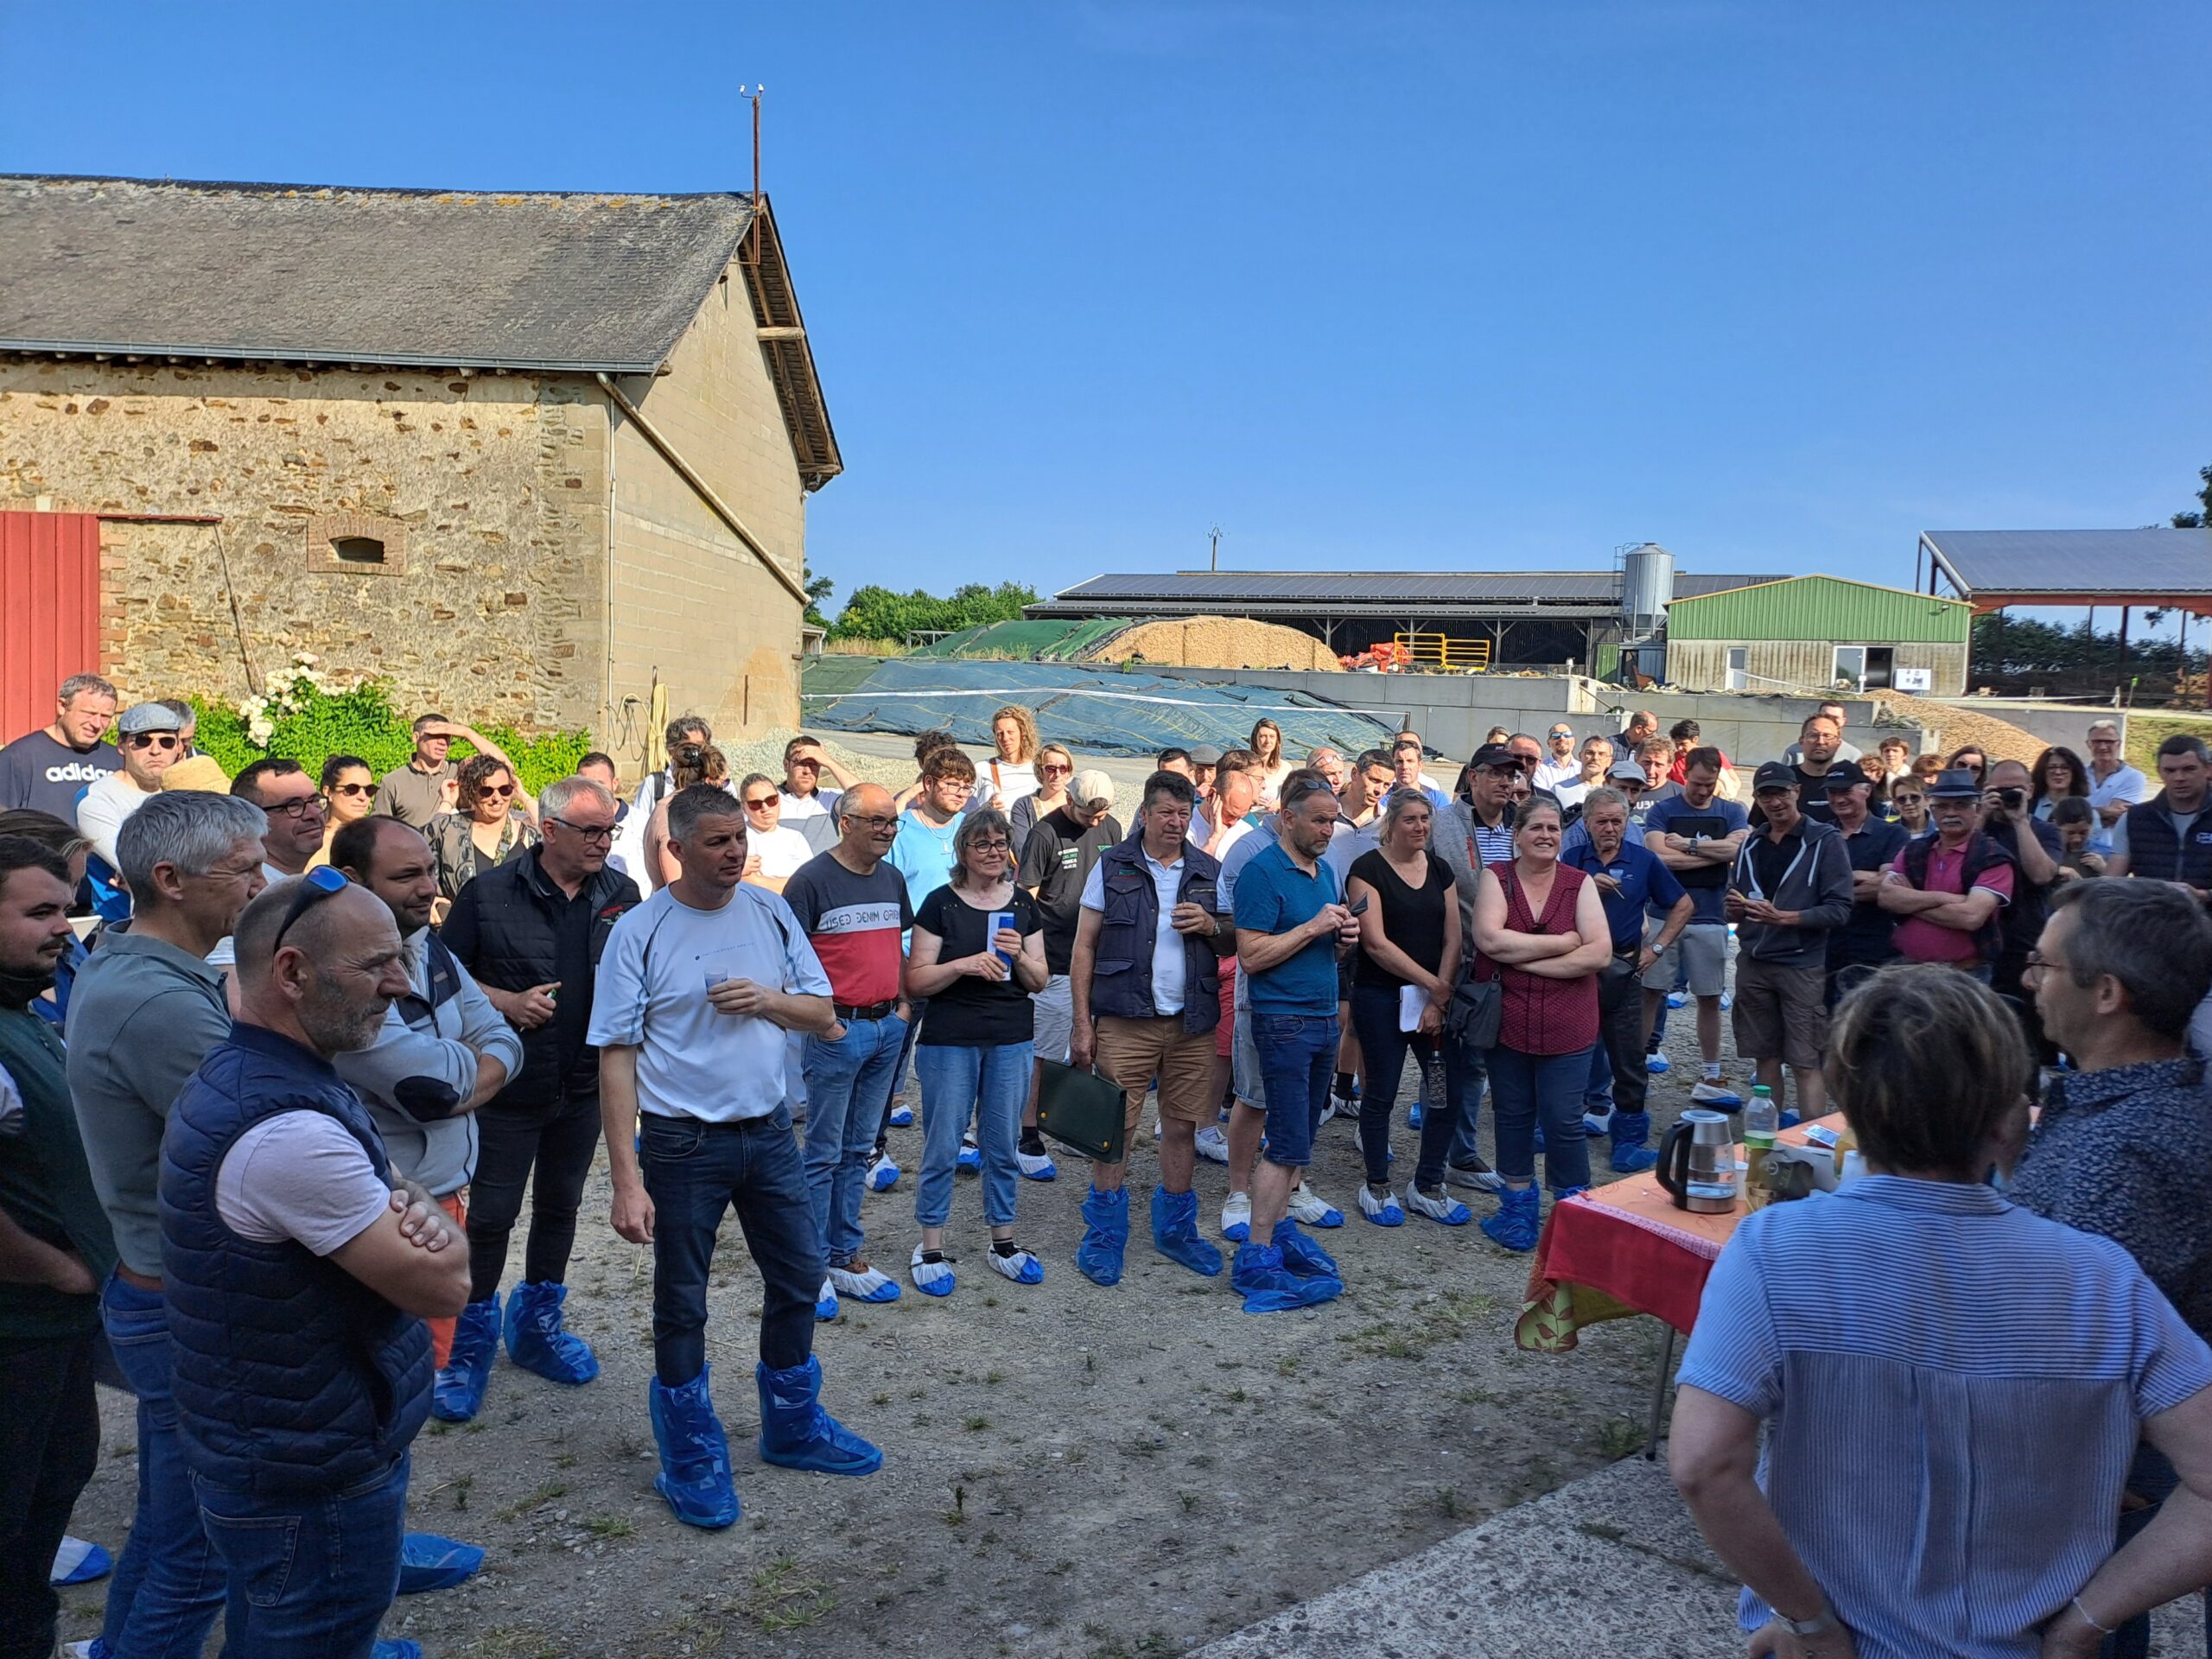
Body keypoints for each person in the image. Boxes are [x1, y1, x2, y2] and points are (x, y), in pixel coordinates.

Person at [1670, 963, 2212, 1659]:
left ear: (1847, 1099)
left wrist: (1809, 1620)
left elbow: (1704, 1463)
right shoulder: (2100, 1277)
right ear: (2005, 1114)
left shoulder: (1776, 1249)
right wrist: (2085, 1623)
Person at [162, 874, 470, 1657]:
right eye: (375, 965)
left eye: (401, 959)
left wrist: (403, 1197)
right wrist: (425, 1210)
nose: (400, 985)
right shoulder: (288, 1132)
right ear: (293, 973)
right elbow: (448, 1284)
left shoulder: (260, 1080)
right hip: (312, 1474)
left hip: (288, 1445)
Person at [594, 785, 875, 1528]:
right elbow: (616, 1055)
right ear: (676, 849)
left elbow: (821, 1011)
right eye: (717, 841)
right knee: (682, 1301)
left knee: (800, 1275)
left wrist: (767, 1001)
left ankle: (793, 1426)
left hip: (770, 1132)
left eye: (739, 838)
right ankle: (689, 1455)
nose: (734, 852)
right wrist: (626, 1179)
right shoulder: (640, 931)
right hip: (682, 1142)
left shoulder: (769, 911)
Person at [63, 793, 265, 1657]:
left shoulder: (144, 968)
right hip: (189, 1302)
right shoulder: (160, 1005)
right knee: (200, 1553)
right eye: (245, 869)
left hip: (162, 1285)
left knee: (172, 1526)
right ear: (173, 880)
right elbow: (265, 1140)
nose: (262, 884)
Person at [2013, 880, 2212, 1659]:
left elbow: (2079, 1356)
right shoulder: (2122, 1107)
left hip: (2085, 1488)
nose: (2030, 979)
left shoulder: (2121, 1152)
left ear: (2106, 994)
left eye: (2045, 964)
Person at [435, 776, 639, 1422]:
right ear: (549, 830)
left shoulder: (620, 895)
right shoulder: (490, 893)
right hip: (510, 1089)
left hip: (582, 1087)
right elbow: (443, 975)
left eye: (609, 830)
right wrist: (506, 1002)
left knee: (560, 1206)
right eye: (592, 831)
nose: (604, 842)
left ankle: (537, 1327)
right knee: (491, 1216)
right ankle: (467, 1342)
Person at [333, 816, 524, 1374]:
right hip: (389, 1204)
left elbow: (504, 1039)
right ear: (353, 880)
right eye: (406, 876)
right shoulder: (342, 974)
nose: (428, 888)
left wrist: (460, 1069)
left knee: (418, 1368)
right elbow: (431, 1091)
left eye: (430, 871)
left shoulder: (428, 947)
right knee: (389, 1369)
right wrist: (473, 1065)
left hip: (439, 1192)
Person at [0, 836, 118, 1659]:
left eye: (65, 910)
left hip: (55, 1331)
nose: (62, 929)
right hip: (18, 1334)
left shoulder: (23, 1015)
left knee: (51, 1488)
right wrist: (56, 1268)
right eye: (40, 912)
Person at [1065, 770, 1231, 1283]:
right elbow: (1084, 946)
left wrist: (1212, 926)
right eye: (1166, 813)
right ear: (1144, 814)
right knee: (1113, 1129)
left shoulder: (1209, 869)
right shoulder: (1112, 865)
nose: (1176, 822)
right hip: (1125, 1020)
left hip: (1191, 1023)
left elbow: (1234, 939)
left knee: (1182, 1126)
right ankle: (1103, 1235)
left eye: (1184, 813)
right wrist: (1081, 1023)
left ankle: (1176, 1231)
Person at [901, 810, 1050, 1294]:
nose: (992, 852)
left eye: (1000, 843)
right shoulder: (940, 903)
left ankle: (1003, 1241)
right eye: (981, 844)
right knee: (943, 1143)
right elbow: (916, 979)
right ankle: (930, 1245)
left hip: (1010, 1037)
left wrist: (1019, 955)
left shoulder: (1023, 904)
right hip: (951, 1039)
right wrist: (962, 965)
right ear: (962, 851)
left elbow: (1040, 979)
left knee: (1002, 1143)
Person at [785, 785, 912, 1321]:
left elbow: (897, 947)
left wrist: (903, 1008)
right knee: (822, 1154)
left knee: (860, 1150)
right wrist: (828, 1025)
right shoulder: (811, 880)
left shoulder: (892, 879)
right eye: (876, 821)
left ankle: (844, 1255)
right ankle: (810, 1266)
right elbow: (788, 960)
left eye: (892, 822)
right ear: (845, 822)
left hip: (886, 1028)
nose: (887, 830)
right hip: (837, 1032)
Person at [1230, 774, 1355, 1310]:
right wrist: (1312, 928)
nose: (1328, 829)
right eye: (1319, 820)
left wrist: (1341, 939)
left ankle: (1280, 1234)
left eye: (1333, 821)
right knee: (1283, 1144)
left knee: (1301, 1137)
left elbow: (1320, 946)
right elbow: (1251, 955)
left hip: (1322, 1017)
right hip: (1283, 1022)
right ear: (1288, 817)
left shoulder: (1325, 871)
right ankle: (1257, 1255)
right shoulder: (1261, 873)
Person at [1469, 794, 1611, 1250]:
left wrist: (1523, 961)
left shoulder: (1579, 883)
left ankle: (1573, 1216)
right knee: (1512, 1116)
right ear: (1517, 835)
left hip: (1570, 1025)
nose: (1546, 835)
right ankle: (1518, 1212)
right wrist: (1564, 942)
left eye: (1553, 828)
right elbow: (1489, 939)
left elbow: (1599, 954)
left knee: (1564, 1119)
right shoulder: (1497, 877)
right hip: (1507, 1024)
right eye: (1536, 827)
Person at [1344, 786, 1474, 1223]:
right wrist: (1434, 985)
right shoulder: (1367, 870)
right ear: (1391, 824)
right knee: (1381, 1090)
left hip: (1433, 1004)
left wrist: (1438, 995)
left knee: (1443, 1091)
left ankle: (1428, 1182)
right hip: (1381, 997)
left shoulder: (1439, 869)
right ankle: (1376, 1182)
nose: (1420, 827)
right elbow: (1375, 943)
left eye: (1425, 819)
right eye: (1410, 819)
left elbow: (1453, 936)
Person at [1562, 787, 1692, 1174]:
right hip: (1576, 970)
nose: (1609, 828)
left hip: (1624, 968)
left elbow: (1683, 904)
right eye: (1601, 821)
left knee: (1628, 1057)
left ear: (1626, 822)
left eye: (1616, 821)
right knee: (1567, 1052)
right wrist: (1585, 883)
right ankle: (1557, 1129)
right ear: (1587, 823)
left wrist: (1657, 948)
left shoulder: (1644, 860)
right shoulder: (1571, 859)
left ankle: (1629, 1140)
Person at [1726, 761, 1853, 1121]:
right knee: (1765, 1056)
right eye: (1766, 795)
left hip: (1801, 965)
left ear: (1797, 792)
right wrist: (1732, 908)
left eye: (1781, 792)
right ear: (1757, 799)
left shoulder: (1824, 841)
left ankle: (1810, 1143)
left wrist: (1786, 918)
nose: (1774, 802)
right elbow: (1732, 898)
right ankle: (1767, 1139)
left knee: (1805, 1059)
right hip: (1754, 962)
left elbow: (1840, 908)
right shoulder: (1751, 843)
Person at [1014, 768, 1121, 1179]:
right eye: (1088, 814)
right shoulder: (1045, 833)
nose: (1095, 822)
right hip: (1056, 958)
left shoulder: (1111, 827)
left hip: (1099, 956)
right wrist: (1029, 957)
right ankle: (1028, 1133)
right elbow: (1026, 897)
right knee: (1044, 1049)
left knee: (1087, 1048)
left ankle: (1074, 1126)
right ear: (1071, 800)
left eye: (1101, 815)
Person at [1429, 743, 1522, 1191]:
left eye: (1512, 775)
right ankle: (1437, 1156)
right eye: (1497, 773)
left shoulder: (1521, 824)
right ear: (1474, 777)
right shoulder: (1443, 823)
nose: (1506, 782)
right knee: (1440, 1060)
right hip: (1453, 959)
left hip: (1507, 962)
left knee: (1481, 1063)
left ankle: (1461, 1153)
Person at [1643, 748, 1751, 1106]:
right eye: (1697, 783)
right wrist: (1711, 854)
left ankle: (1711, 1071)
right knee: (1650, 992)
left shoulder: (1732, 810)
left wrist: (1689, 845)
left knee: (1709, 996)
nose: (1703, 791)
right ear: (1684, 774)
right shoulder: (1663, 810)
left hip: (1711, 916)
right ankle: (1637, 1066)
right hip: (1663, 912)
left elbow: (1738, 850)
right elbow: (1658, 857)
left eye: (1710, 784)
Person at [1878, 768, 2018, 977]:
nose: (1951, 813)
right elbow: (1886, 897)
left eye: (1961, 805)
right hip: (1907, 969)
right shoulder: (1913, 851)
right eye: (1942, 806)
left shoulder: (1992, 857)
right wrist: (1948, 898)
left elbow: (1970, 917)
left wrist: (1910, 902)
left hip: (1964, 975)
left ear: (1978, 809)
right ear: (1932, 810)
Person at [1821, 761, 1908, 1007]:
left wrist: (1831, 888)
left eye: (1845, 791)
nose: (1838, 799)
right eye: (1832, 792)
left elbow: (1888, 887)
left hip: (1874, 952)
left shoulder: (1893, 834)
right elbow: (1806, 885)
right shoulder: (1820, 835)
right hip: (1824, 951)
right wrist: (1863, 876)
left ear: (1867, 790)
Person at [76, 701, 183, 873]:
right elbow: (136, 867)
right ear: (121, 745)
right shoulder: (98, 798)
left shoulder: (186, 793)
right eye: (143, 741)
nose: (156, 750)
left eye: (167, 742)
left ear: (178, 747)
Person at [0, 673, 120, 820]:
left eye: (105, 716)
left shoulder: (118, 760)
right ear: (62, 706)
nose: (96, 724)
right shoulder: (19, 758)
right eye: (89, 713)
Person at [372, 712, 523, 829]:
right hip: (412, 856)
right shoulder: (393, 781)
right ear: (416, 737)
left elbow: (505, 767)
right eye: (434, 736)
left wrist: (466, 732)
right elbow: (378, 829)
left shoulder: (460, 770)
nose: (442, 742)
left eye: (447, 737)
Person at [2107, 734, 2212, 898]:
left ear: (2207, 769)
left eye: (2189, 769)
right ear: (2159, 772)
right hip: (2150, 912)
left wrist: (2204, 895)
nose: (2179, 778)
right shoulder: (2134, 819)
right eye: (2169, 771)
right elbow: (2111, 884)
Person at [429, 753, 538, 910]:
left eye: (505, 790)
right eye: (487, 791)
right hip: (464, 922)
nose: (497, 798)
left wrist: (522, 794)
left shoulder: (529, 835)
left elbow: (551, 827)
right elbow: (419, 860)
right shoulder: (449, 830)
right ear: (472, 793)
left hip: (520, 923)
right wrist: (429, 900)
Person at [644, 743, 729, 892]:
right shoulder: (670, 814)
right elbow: (677, 884)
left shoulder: (683, 810)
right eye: (724, 783)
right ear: (710, 782)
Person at [232, 756, 330, 882]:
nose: (314, 814)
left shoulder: (305, 885)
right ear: (251, 820)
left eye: (315, 801)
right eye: (294, 805)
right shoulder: (252, 890)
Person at [626, 713, 715, 824]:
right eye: (688, 748)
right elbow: (639, 826)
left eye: (700, 747)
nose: (694, 754)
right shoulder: (654, 785)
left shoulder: (715, 783)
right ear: (672, 750)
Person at [778, 736, 856, 855]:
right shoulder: (768, 801)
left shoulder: (829, 800)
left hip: (824, 868)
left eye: (814, 764)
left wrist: (829, 762)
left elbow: (864, 798)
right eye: (801, 763)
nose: (807, 771)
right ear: (786, 765)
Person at [734, 773, 812, 894]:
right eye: (755, 804)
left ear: (779, 800)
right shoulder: (737, 839)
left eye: (771, 800)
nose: (765, 808)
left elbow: (811, 884)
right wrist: (795, 883)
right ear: (743, 807)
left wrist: (762, 881)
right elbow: (749, 884)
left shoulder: (796, 838)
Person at [2085, 718, 2148, 857]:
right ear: (2088, 744)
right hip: (2077, 848)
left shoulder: (2133, 777)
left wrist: (2080, 812)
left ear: (2119, 744)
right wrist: (2103, 812)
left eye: (2109, 741)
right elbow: (2064, 812)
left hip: (2112, 852)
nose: (2103, 747)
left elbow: (2117, 817)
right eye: (2097, 741)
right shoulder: (2078, 772)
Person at [1767, 713, 1845, 825]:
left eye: (1828, 736)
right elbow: (1757, 827)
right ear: (1801, 741)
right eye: (1813, 735)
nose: (1820, 741)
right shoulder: (1780, 780)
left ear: (1838, 743)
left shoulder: (1850, 781)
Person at [314, 753, 378, 868]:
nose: (363, 797)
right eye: (351, 789)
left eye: (369, 790)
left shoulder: (379, 839)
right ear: (328, 792)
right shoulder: (313, 843)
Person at [1010, 742, 1074, 859]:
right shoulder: (1023, 806)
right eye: (1051, 769)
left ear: (1069, 771)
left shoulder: (1077, 804)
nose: (1057, 774)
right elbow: (1022, 850)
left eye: (1063, 768)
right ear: (1040, 771)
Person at [976, 705, 1043, 814]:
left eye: (1010, 732)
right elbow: (965, 809)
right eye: (1000, 734)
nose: (1005, 738)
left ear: (1023, 733)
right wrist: (986, 808)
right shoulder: (982, 768)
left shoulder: (1039, 769)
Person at [1779, 701, 1863, 765]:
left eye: (1835, 718)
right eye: (1826, 716)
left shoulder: (1854, 755)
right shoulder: (1794, 751)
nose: (1830, 721)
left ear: (1843, 721)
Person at [1551, 734, 1613, 813]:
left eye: (1601, 754)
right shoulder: (1559, 790)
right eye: (1590, 753)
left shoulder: (1615, 791)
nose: (1595, 758)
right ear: (1580, 756)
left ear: (1609, 761)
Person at [2031, 745, 2091, 825]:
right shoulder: (2029, 805)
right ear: (2042, 771)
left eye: (2065, 768)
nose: (2058, 772)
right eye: (2052, 767)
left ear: (2074, 772)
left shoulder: (2085, 807)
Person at [2052, 796, 2105, 877]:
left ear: (2091, 827)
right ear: (2055, 826)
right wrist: (2054, 869)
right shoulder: (2046, 850)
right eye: (2070, 833)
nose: (2077, 839)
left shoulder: (2104, 852)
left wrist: (2105, 869)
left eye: (2083, 833)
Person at [1248, 717, 1292, 807]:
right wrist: (1253, 801)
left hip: (1276, 814)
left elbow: (1292, 800)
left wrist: (1277, 806)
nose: (1268, 741)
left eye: (1272, 737)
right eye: (1263, 736)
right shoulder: (1245, 766)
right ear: (1255, 739)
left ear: (1277, 740)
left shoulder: (1286, 768)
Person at [1532, 723, 1581, 791]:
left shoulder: (1583, 769)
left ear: (1573, 741)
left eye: (1567, 734)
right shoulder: (1539, 768)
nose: (1562, 738)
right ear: (1548, 743)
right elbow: (1542, 795)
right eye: (1556, 735)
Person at [1889, 773, 1932, 839]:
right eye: (1901, 799)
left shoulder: (1941, 828)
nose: (1908, 803)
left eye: (1914, 797)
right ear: (1895, 804)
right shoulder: (1889, 833)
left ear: (1927, 799)